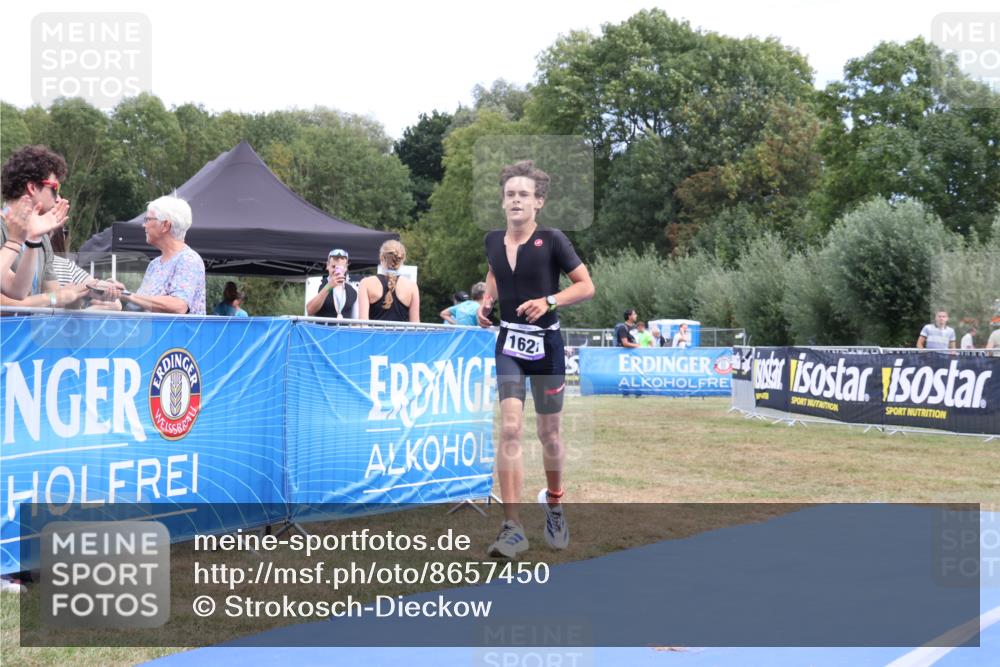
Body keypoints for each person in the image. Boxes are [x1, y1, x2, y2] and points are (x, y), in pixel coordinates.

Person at [477, 160, 595, 559]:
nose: (515, 200)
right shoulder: (493, 240)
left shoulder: (553, 240)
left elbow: (586, 286)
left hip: (546, 347)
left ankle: (555, 503)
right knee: (509, 428)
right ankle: (512, 528)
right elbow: (493, 272)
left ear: (538, 202)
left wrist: (549, 301)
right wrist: (487, 301)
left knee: (550, 436)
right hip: (509, 343)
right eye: (510, 194)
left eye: (523, 194)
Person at [1, 145, 70, 300]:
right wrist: (14, 242)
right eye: (55, 188)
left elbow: (18, 293)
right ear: (32, 187)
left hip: (26, 325)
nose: (58, 198)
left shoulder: (41, 237)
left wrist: (82, 294)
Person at [121, 196, 206, 314]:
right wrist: (116, 293)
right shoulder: (154, 265)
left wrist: (127, 295)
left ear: (165, 225)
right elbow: (138, 305)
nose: (143, 225)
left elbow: (178, 305)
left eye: (148, 219)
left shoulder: (188, 259)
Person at [358, 240, 419, 323]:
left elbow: (362, 324)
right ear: (402, 259)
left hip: (375, 335)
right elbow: (415, 326)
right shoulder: (412, 287)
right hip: (401, 336)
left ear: (382, 258)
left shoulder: (366, 283)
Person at [306, 248, 358, 319]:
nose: (336, 271)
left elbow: (355, 320)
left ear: (346, 268)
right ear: (327, 266)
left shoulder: (352, 290)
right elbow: (309, 310)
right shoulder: (316, 284)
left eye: (340, 267)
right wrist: (329, 286)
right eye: (334, 267)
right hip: (323, 329)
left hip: (343, 329)